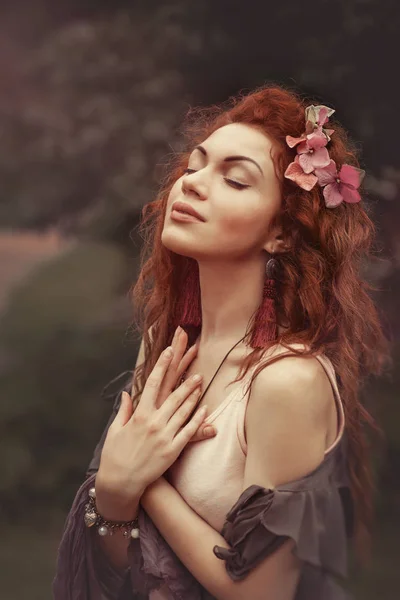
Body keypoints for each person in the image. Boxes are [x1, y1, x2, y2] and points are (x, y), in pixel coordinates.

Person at [53, 83, 391, 600]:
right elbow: (122, 559)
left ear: (280, 233)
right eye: (194, 166)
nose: (191, 184)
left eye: (234, 179)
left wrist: (141, 483)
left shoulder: (286, 381)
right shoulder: (165, 343)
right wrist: (117, 501)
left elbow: (265, 591)